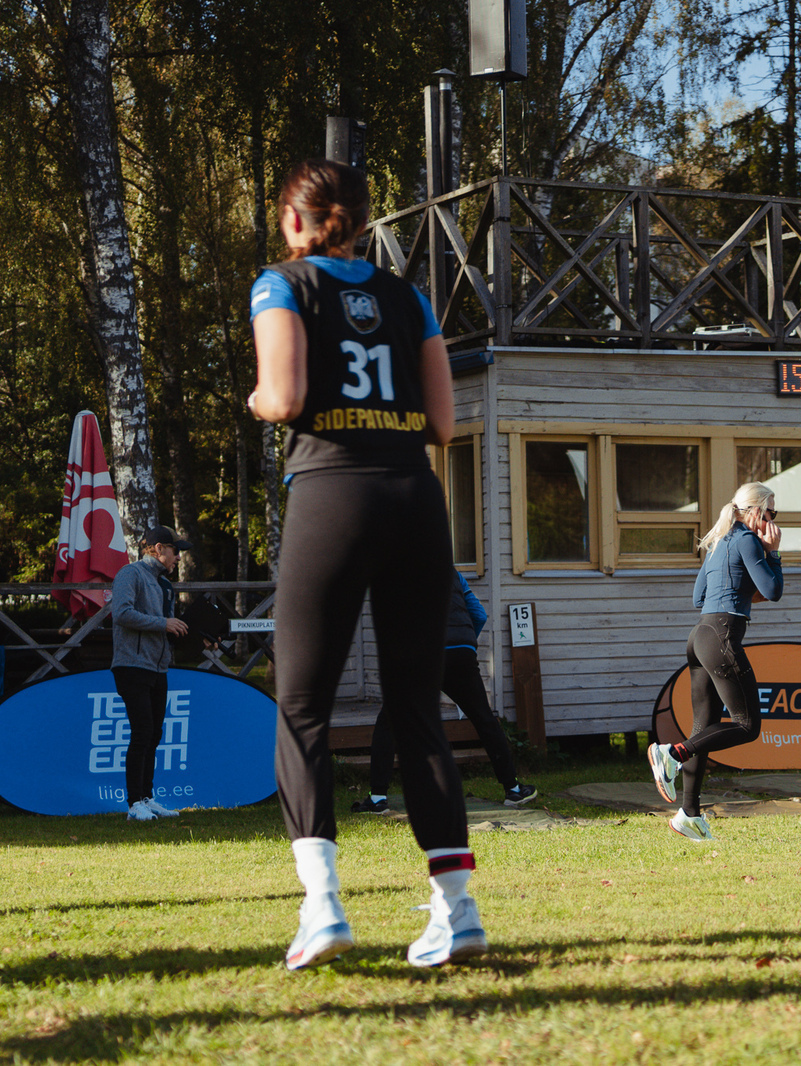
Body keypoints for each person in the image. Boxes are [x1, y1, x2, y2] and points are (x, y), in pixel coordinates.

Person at [248, 158, 484, 971]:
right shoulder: (407, 297)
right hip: (414, 500)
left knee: (301, 706)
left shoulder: (281, 284)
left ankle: (322, 907)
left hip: (332, 494)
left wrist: (255, 400)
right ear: (360, 219)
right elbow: (443, 425)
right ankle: (457, 909)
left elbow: (282, 400)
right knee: (417, 707)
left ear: (294, 221)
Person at [647, 482, 783, 842]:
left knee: (703, 729)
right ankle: (671, 754)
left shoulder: (721, 541)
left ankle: (689, 815)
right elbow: (773, 590)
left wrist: (742, 589)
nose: (773, 521)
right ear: (755, 511)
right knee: (747, 725)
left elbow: (699, 597)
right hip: (722, 637)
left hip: (699, 637)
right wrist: (773, 554)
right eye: (771, 513)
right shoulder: (749, 540)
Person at [352, 568, 536, 813]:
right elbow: (479, 615)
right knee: (484, 720)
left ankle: (377, 799)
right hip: (462, 652)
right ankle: (513, 789)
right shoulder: (453, 573)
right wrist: (463, 644)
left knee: (389, 722)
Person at [110, 525, 192, 822]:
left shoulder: (163, 584)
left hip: (158, 668)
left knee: (154, 734)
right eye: (175, 551)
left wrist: (198, 637)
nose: (178, 558)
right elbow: (121, 613)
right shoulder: (130, 574)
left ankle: (147, 798)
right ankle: (134, 804)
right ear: (159, 549)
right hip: (131, 666)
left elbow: (167, 628)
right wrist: (163, 623)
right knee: (143, 732)